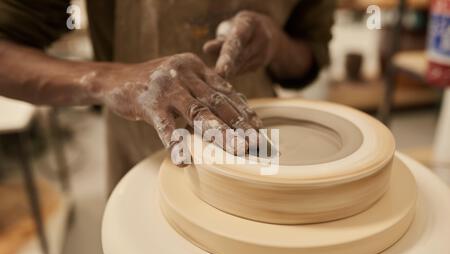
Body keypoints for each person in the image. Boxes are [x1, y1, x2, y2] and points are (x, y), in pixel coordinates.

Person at [0, 0, 335, 192]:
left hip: (259, 148)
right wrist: (110, 79)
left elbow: (310, 51)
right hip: (141, 149)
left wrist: (276, 44)